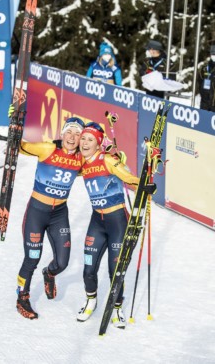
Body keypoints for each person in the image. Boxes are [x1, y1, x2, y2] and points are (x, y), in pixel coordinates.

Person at [76, 123, 156, 329]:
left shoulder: (108, 160)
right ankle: (91, 301)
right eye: (83, 138)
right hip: (97, 221)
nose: (84, 143)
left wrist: (143, 185)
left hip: (117, 221)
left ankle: (117, 308)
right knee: (88, 269)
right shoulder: (81, 163)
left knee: (116, 271)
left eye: (90, 140)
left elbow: (127, 177)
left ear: (98, 143)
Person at [16, 116, 86, 320]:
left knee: (62, 262)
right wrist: (15, 123)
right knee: (32, 258)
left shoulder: (80, 158)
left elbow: (100, 165)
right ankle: (22, 297)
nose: (72, 137)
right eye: (69, 132)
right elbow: (20, 146)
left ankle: (49, 274)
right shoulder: (47, 149)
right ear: (62, 133)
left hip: (59, 214)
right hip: (37, 211)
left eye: (77, 134)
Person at [198, 45, 215, 112]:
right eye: (213, 54)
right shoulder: (204, 67)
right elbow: (199, 81)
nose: (214, 56)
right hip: (204, 103)